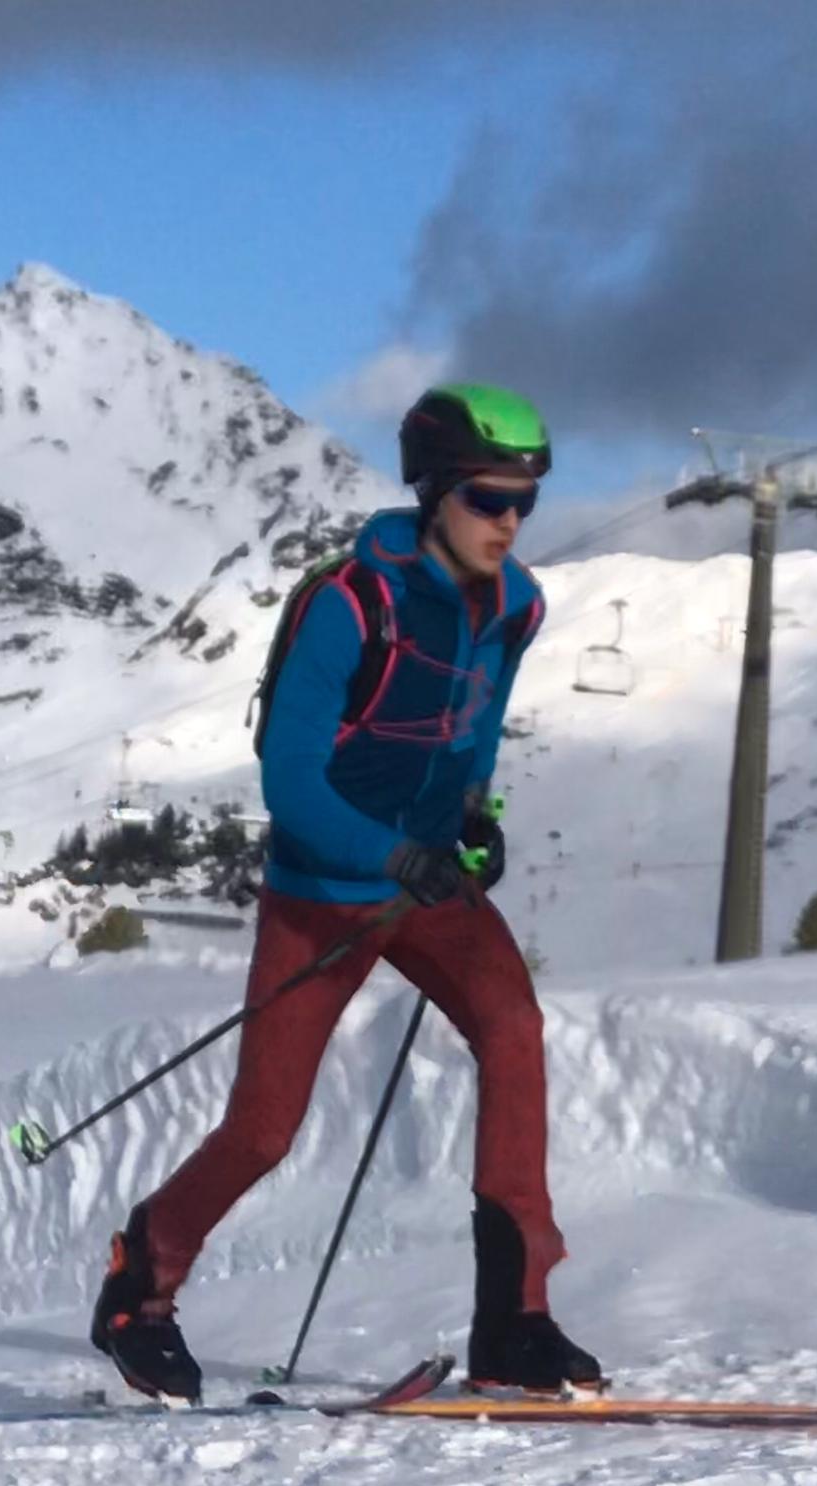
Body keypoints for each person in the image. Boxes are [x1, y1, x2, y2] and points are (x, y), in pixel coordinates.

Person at [90, 384, 601, 1403]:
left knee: (513, 1026)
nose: (510, 522)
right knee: (266, 1130)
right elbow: (290, 780)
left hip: (424, 878)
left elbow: (476, 726)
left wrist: (471, 816)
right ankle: (138, 1285)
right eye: (491, 500)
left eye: (525, 504)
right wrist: (388, 855)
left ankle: (514, 1319)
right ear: (436, 492)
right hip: (323, 888)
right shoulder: (347, 603)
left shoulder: (517, 608)